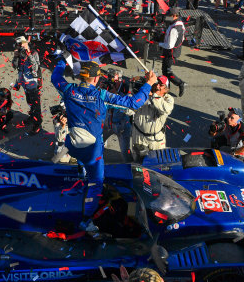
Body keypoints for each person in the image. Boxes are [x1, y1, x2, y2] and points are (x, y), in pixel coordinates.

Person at [51, 59, 156, 229]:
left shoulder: (68, 89)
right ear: (95, 79)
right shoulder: (101, 95)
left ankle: (81, 173)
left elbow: (55, 77)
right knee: (97, 181)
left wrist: (61, 60)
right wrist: (149, 83)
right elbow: (133, 103)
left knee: (81, 158)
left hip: (72, 144)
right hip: (92, 149)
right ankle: (87, 220)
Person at [130, 75, 174, 161]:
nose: (157, 86)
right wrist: (134, 95)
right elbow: (129, 110)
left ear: (166, 89)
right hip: (139, 137)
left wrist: (153, 96)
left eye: (161, 85)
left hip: (156, 140)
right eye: (156, 83)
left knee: (157, 163)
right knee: (138, 162)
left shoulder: (169, 99)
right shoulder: (142, 96)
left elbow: (166, 109)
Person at [12, 37, 42, 134]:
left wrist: (28, 53)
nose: (20, 46)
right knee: (30, 102)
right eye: (18, 45)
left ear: (26, 43)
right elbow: (15, 67)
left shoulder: (34, 53)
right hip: (25, 83)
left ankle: (37, 124)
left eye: (21, 44)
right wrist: (15, 56)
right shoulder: (20, 53)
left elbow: (35, 67)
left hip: (33, 83)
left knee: (36, 105)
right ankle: (32, 117)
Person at [159, 7, 187, 97]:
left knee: (167, 72)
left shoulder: (175, 29)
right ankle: (166, 89)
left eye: (169, 16)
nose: (168, 17)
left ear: (175, 16)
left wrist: (159, 44)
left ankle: (180, 83)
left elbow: (169, 45)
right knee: (165, 71)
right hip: (174, 51)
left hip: (171, 52)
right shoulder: (179, 23)